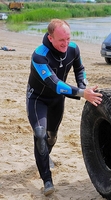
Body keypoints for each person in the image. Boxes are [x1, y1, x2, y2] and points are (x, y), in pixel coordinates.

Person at [26, 19, 103, 196]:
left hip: (56, 101)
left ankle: (45, 156)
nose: (66, 43)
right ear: (50, 37)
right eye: (61, 40)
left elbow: (80, 69)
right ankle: (47, 180)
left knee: (51, 138)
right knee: (40, 134)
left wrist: (84, 86)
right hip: (38, 99)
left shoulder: (73, 48)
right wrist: (83, 94)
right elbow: (55, 85)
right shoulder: (39, 56)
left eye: (68, 38)